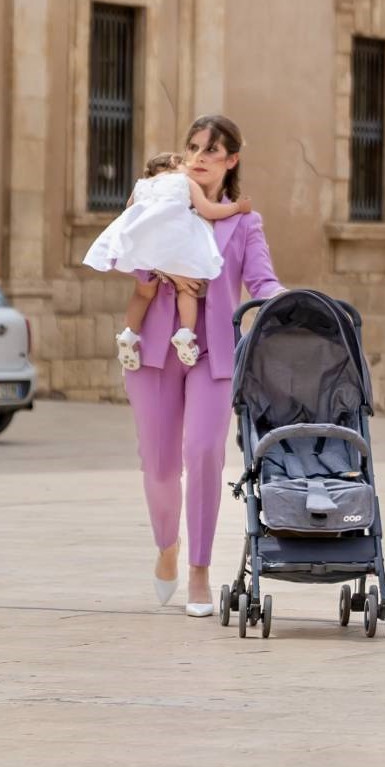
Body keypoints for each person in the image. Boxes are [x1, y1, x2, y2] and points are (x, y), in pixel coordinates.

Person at [123, 114, 283, 618]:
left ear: (230, 160)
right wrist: (172, 270)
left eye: (210, 150)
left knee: (206, 451)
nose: (197, 157)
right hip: (153, 350)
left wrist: (286, 306)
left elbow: (261, 281)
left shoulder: (242, 222)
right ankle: (167, 545)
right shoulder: (162, 199)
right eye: (192, 147)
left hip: (213, 352)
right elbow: (132, 256)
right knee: (160, 463)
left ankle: (199, 570)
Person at [89, 151, 240, 370]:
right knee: (187, 289)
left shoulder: (142, 185)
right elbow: (207, 209)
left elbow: (128, 211)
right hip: (175, 247)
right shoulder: (184, 181)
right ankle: (185, 334)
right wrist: (236, 207)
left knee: (142, 294)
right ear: (174, 164)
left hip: (145, 253)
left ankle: (129, 334)